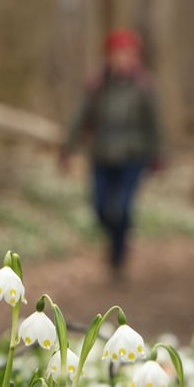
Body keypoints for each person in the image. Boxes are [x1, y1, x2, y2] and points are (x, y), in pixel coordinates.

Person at [60, 29, 161, 278]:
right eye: (118, 53)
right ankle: (115, 239)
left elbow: (154, 123)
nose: (123, 59)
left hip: (132, 156)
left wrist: (157, 154)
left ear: (136, 57)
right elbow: (82, 117)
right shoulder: (97, 85)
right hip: (102, 154)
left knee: (122, 208)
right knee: (99, 207)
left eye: (128, 53)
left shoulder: (143, 86)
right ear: (110, 56)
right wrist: (68, 147)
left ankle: (118, 254)